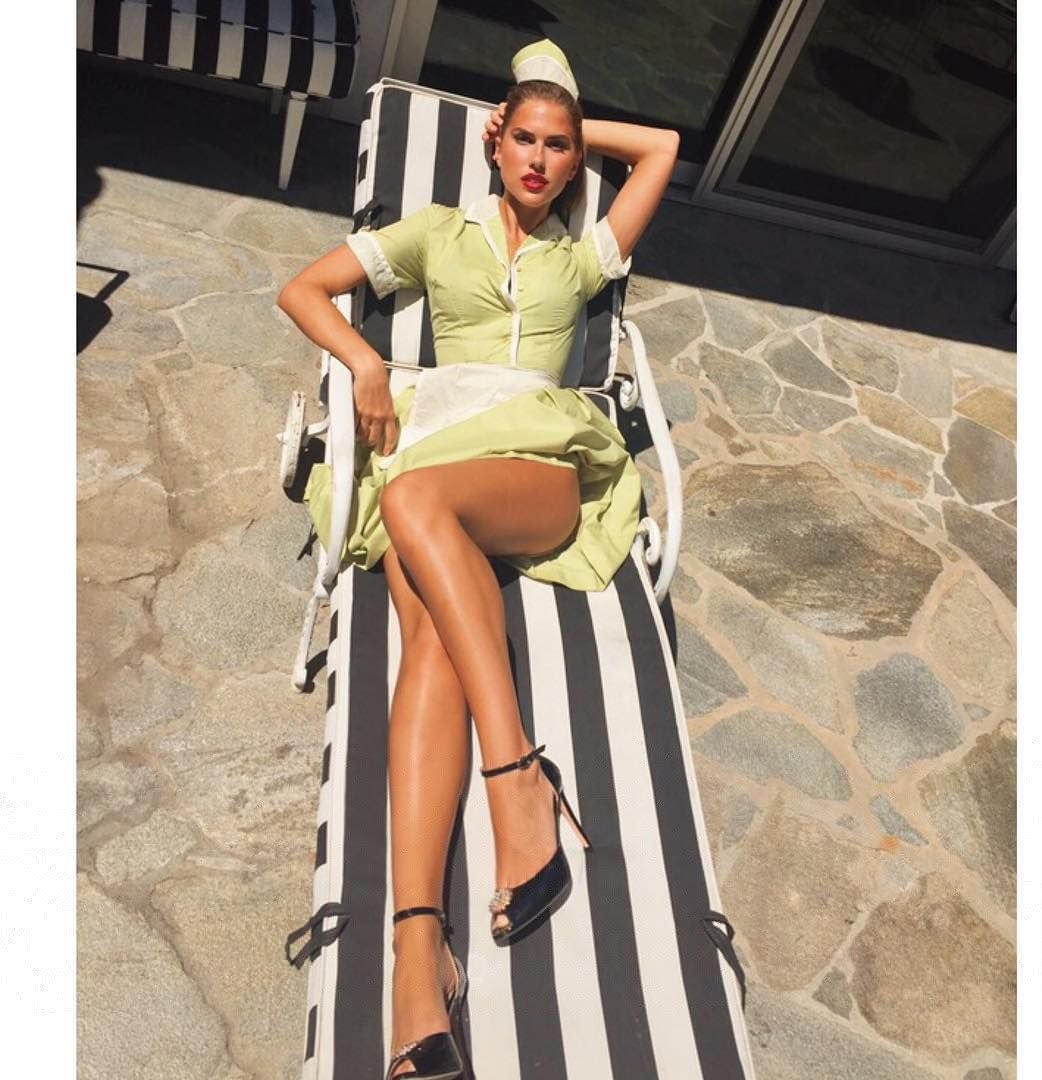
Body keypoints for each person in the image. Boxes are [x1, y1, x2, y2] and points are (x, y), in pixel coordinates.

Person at [277, 39, 678, 1080]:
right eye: (524, 140)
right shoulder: (435, 233)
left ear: (575, 160)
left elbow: (665, 146)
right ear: (496, 145)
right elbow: (304, 290)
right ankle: (421, 958)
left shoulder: (583, 256)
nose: (541, 160)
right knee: (431, 652)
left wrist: (566, 111)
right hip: (434, 452)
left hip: (537, 467)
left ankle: (514, 773)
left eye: (559, 147)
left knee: (411, 499)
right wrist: (366, 360)